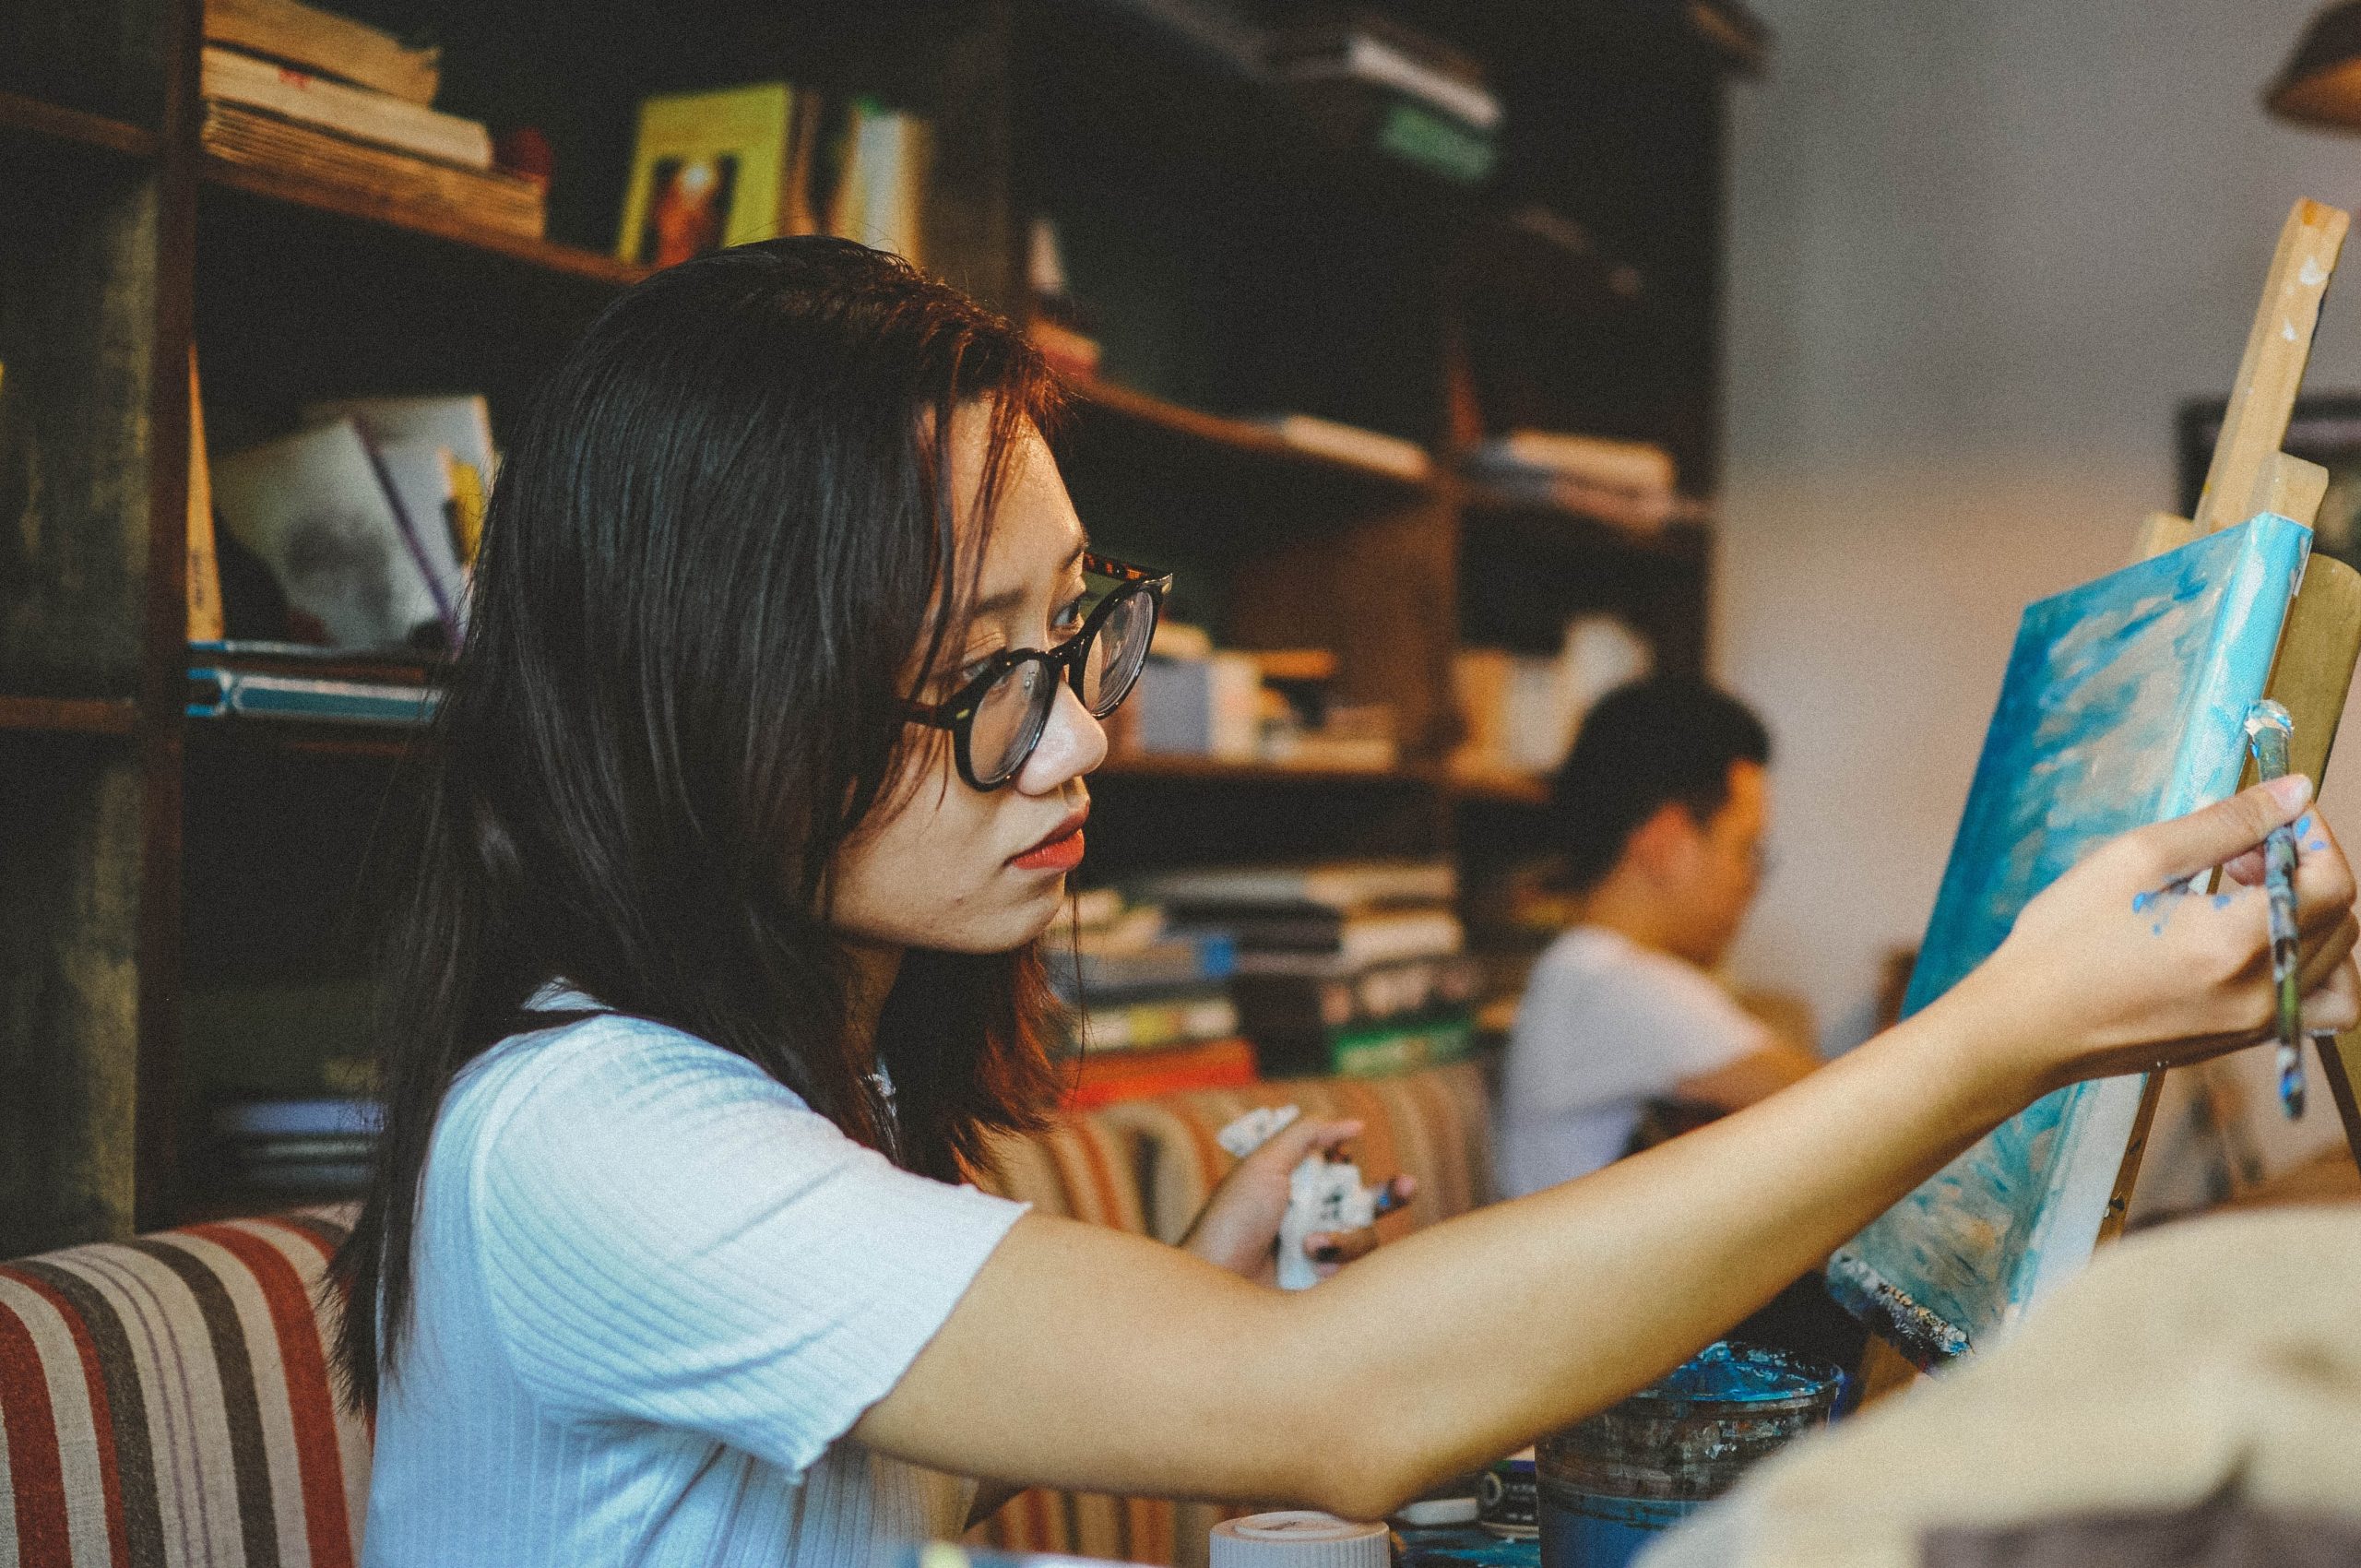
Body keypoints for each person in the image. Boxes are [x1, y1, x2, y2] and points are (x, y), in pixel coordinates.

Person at [332, 238, 2361, 1568]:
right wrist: (2003, 1022)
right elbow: (1342, 1411)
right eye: (986, 679)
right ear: (722, 704)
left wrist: (1187, 1289)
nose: (1076, 747)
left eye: (1085, 630)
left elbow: (826, 1502)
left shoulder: (795, 1080)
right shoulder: (587, 1135)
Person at [1496, 678, 1821, 1196]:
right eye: (1746, 851)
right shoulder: (1613, 982)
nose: (1750, 884)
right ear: (1665, 842)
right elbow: (1852, 1113)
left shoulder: (1578, 974)